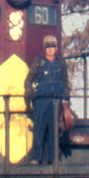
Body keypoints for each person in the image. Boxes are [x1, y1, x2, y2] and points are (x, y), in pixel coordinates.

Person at [25, 37, 69, 165]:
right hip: (41, 100)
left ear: (56, 48)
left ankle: (53, 158)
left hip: (56, 100)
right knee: (39, 129)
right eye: (48, 47)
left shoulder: (61, 63)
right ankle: (36, 158)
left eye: (53, 47)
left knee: (54, 131)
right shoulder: (38, 62)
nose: (50, 50)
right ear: (44, 49)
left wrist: (66, 97)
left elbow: (65, 81)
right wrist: (29, 91)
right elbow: (28, 80)